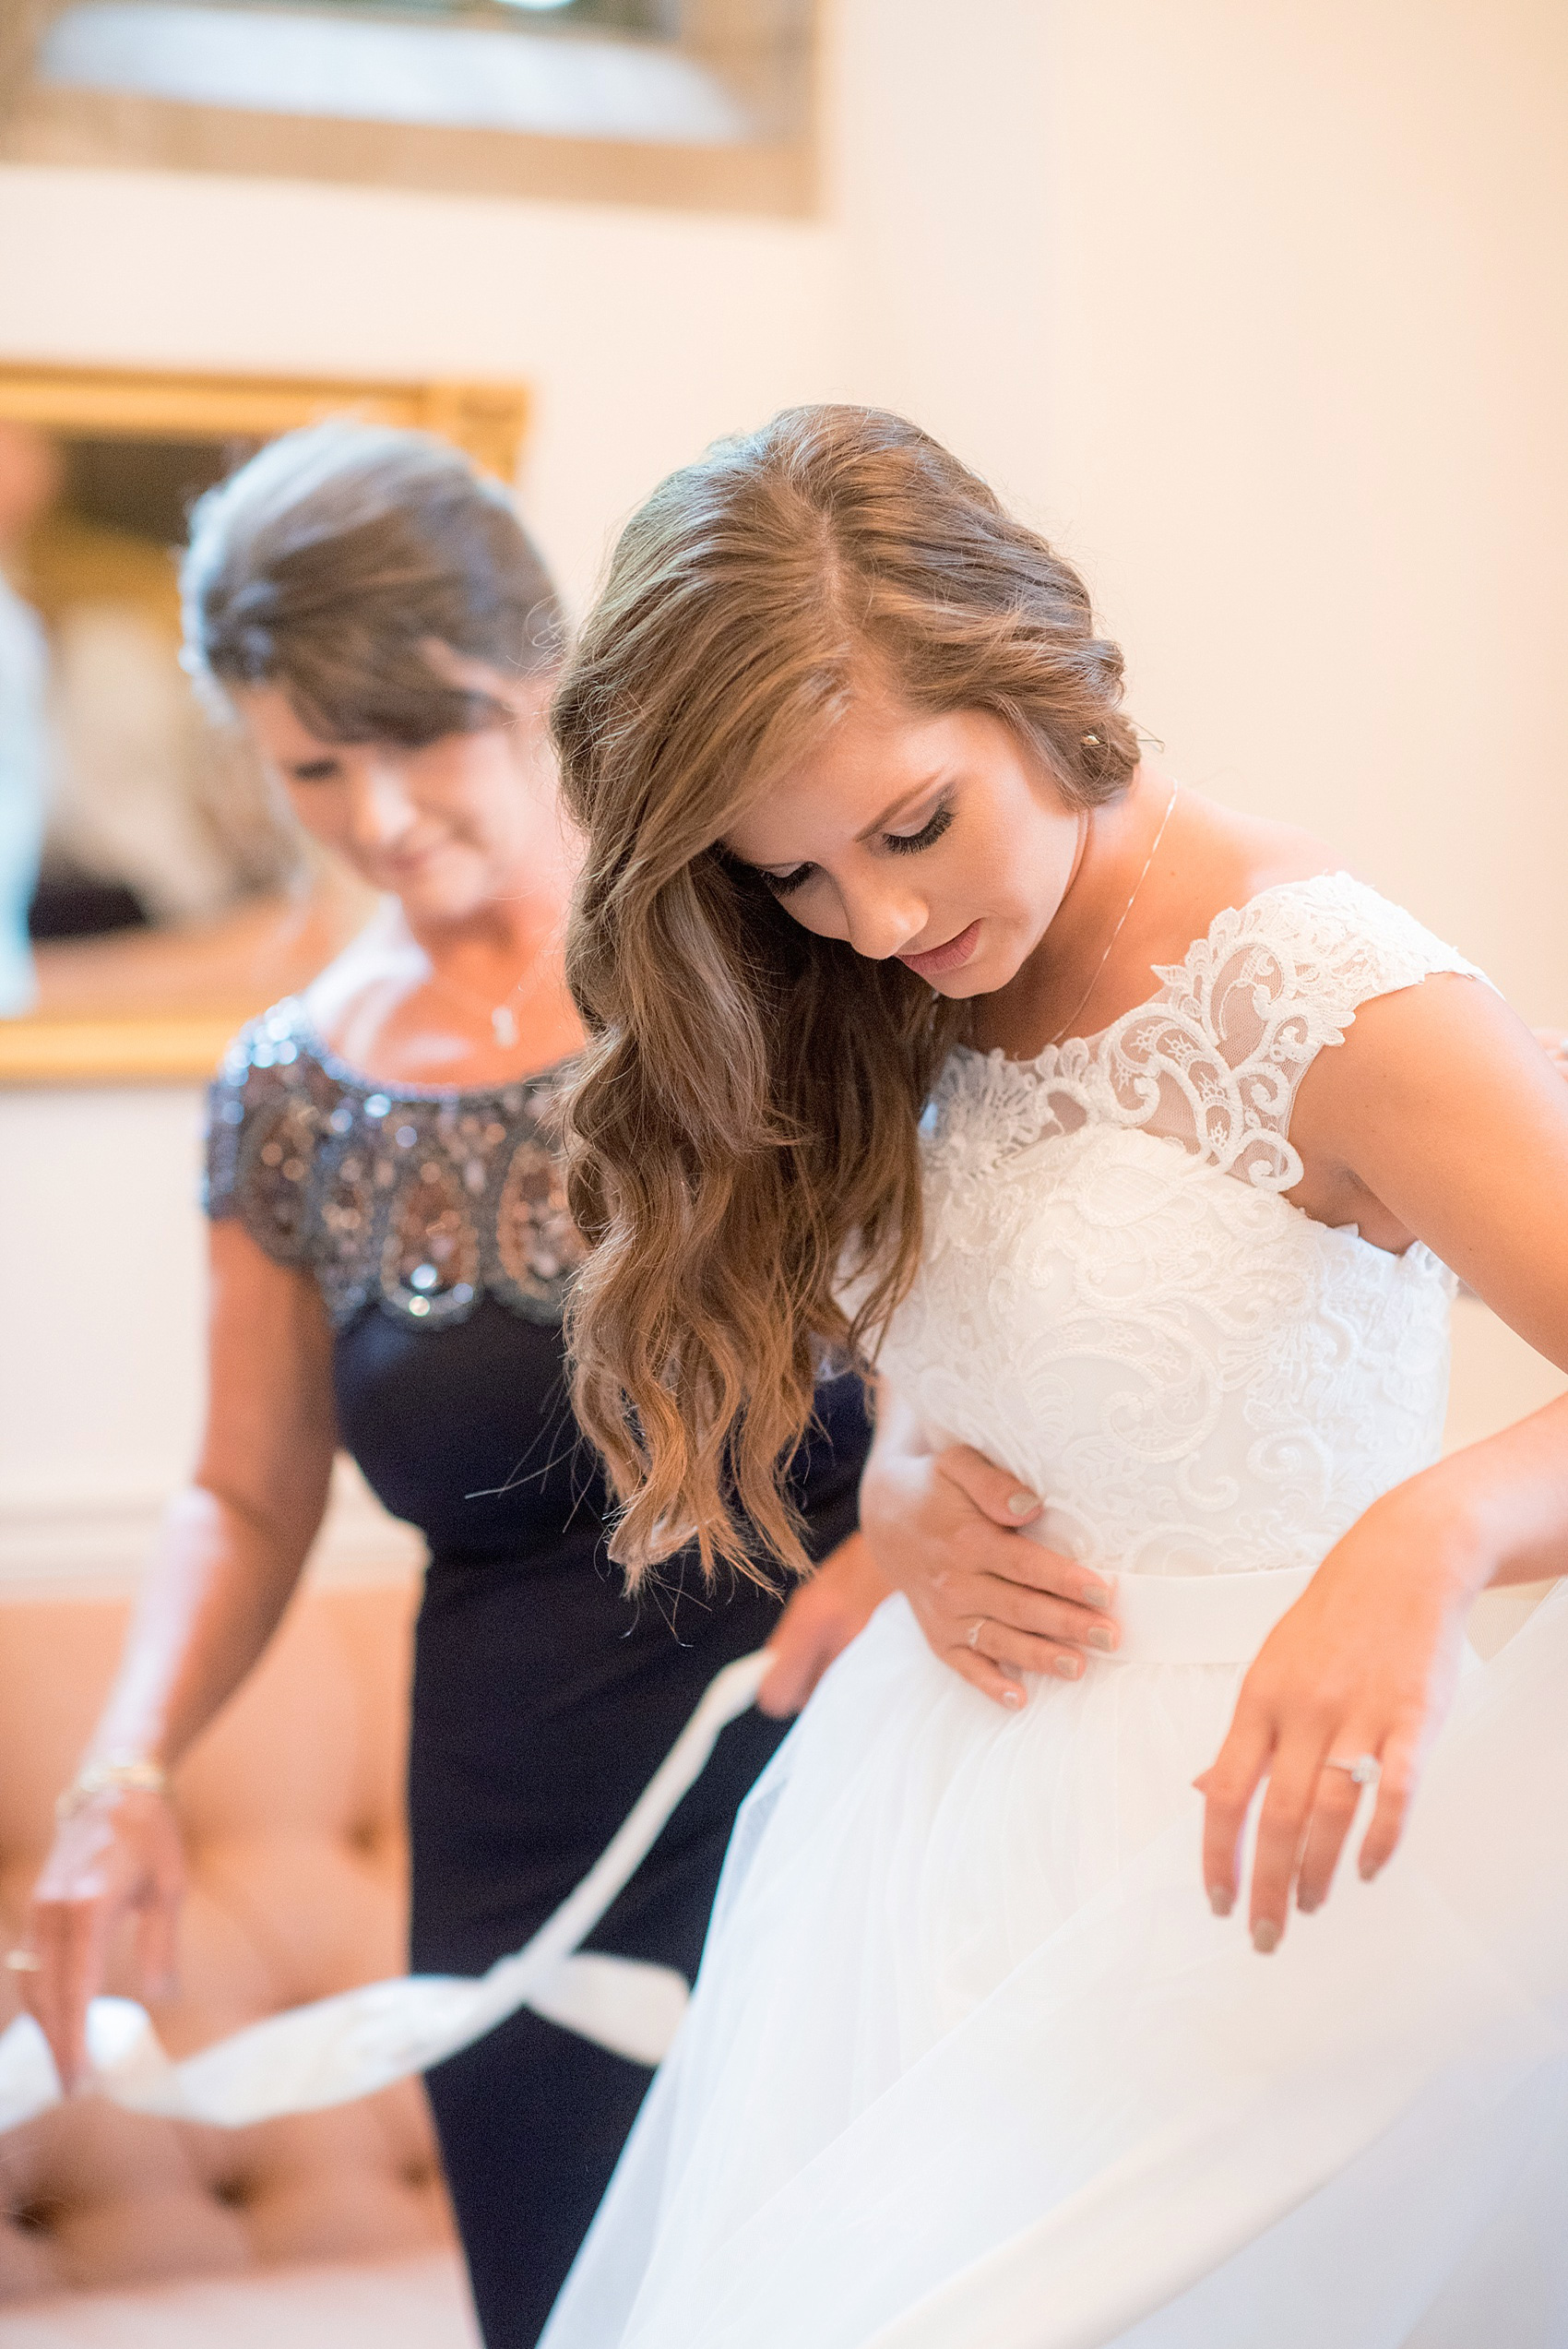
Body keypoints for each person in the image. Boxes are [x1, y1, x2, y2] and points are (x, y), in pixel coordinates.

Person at [538, 405, 1568, 2348]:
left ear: (1030, 668)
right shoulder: (891, 993)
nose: (885, 920)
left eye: (912, 826)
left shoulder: (1327, 995)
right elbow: (991, 1333)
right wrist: (908, 1477)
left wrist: (1432, 1532)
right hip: (927, 1832)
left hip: (1252, 1856)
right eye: (799, 879)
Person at [15, 421, 890, 2349]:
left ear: (542, 672)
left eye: (435, 734)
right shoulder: (291, 1091)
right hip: (521, 1817)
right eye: (318, 766)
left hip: (856, 1744)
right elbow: (243, 1491)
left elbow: (991, 1322)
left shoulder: (779, 946)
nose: (386, 814)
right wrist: (123, 1771)